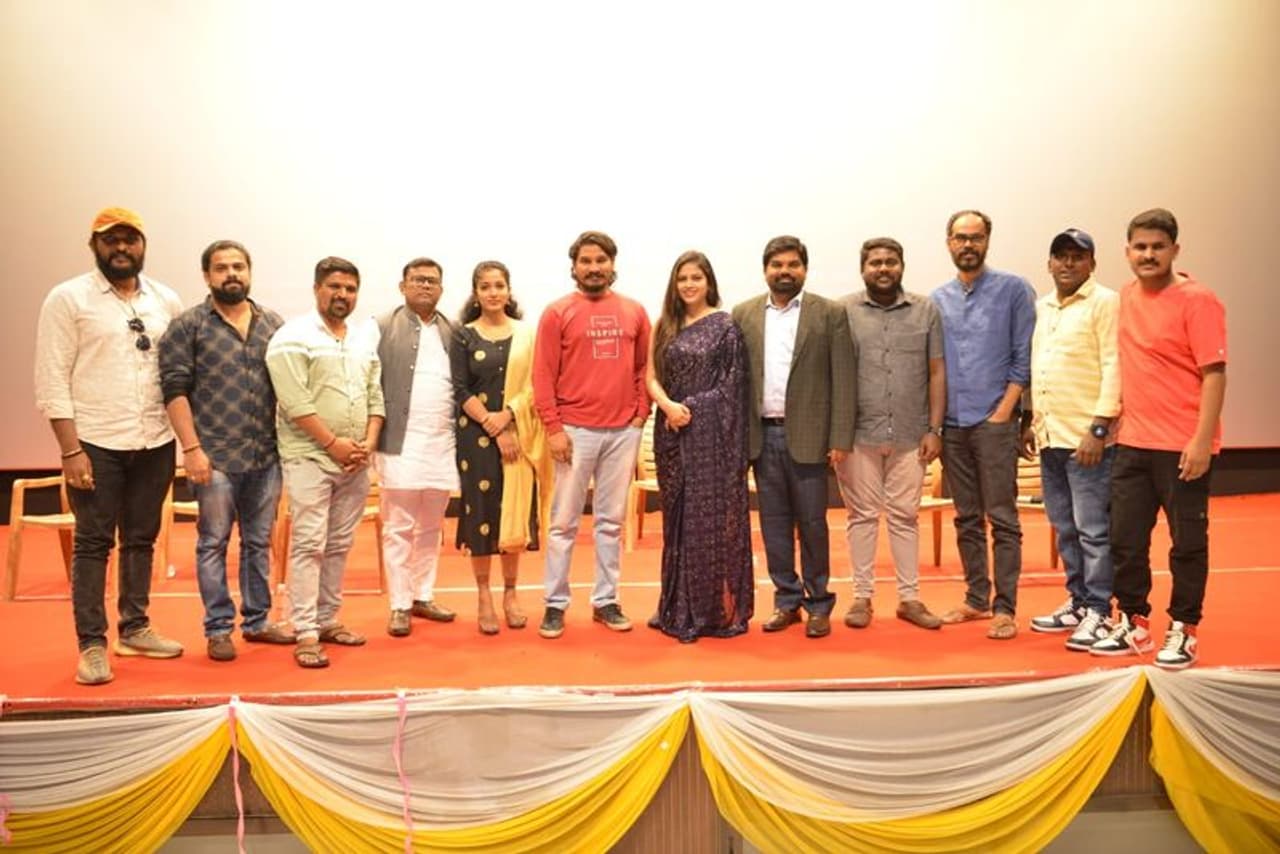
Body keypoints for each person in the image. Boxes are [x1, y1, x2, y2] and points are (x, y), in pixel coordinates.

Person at [34, 206, 185, 685]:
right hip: (95, 441)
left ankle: (135, 628)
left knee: (141, 538)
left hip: (154, 438)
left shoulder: (165, 299)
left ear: (143, 244)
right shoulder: (68, 298)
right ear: (94, 245)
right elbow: (52, 377)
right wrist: (70, 449)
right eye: (110, 239)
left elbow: (177, 371)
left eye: (130, 239)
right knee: (93, 542)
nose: (121, 247)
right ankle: (92, 645)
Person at [1090, 209, 1226, 670]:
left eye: (1158, 247)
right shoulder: (1126, 297)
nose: (1148, 255)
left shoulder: (1199, 300)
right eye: (1140, 247)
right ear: (1127, 251)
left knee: (1187, 544)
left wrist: (1202, 441)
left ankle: (1184, 628)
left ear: (1175, 250)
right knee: (1125, 540)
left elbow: (1214, 374)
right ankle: (1133, 621)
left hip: (1183, 446)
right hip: (1132, 443)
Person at [158, 239, 294, 662]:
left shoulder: (273, 323)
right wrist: (191, 449)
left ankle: (257, 622)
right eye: (221, 268)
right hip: (213, 457)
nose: (231, 274)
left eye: (238, 266)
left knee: (257, 542)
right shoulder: (188, 326)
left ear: (249, 271)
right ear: (207, 276)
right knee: (213, 543)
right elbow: (174, 391)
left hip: (265, 456)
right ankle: (218, 628)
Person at [732, 235, 856, 639]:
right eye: (777, 265)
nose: (784, 272)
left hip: (811, 438)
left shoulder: (830, 313)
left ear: (804, 269)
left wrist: (840, 437)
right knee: (774, 525)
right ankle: (786, 600)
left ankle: (819, 603)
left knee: (813, 525)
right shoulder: (744, 314)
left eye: (792, 265)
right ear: (765, 270)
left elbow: (844, 378)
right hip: (761, 436)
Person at [266, 257, 385, 668]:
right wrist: (333, 444)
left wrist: (368, 442)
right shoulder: (292, 337)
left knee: (338, 545)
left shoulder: (362, 339)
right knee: (309, 544)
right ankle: (304, 631)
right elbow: (293, 401)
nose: (342, 295)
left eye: (350, 289)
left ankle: (328, 619)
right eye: (334, 287)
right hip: (310, 458)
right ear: (317, 288)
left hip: (355, 461)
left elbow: (375, 395)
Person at [533, 231, 650, 639]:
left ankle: (606, 601)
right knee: (563, 523)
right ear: (574, 267)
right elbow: (542, 374)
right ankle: (555, 604)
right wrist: (554, 428)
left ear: (613, 264)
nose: (594, 267)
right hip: (574, 431)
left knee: (610, 522)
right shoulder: (557, 312)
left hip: (622, 432)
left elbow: (644, 368)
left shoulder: (635, 312)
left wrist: (640, 415)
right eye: (586, 261)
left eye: (601, 260)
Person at [930, 210, 1036, 640]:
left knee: (1003, 518)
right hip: (953, 424)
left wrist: (1005, 413)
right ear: (949, 243)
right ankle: (976, 598)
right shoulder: (937, 299)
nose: (968, 245)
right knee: (966, 518)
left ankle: (1005, 608)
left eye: (975, 237)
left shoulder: (1014, 290)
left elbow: (1024, 357)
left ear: (988, 240)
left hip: (995, 422)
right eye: (960, 238)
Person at [835, 238, 946, 632]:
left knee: (904, 516)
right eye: (875, 262)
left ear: (902, 265)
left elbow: (936, 371)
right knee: (862, 516)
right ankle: (861, 597)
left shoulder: (925, 310)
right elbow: (834, 373)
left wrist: (934, 429)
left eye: (891, 261)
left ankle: (909, 598)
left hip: (912, 434)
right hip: (858, 434)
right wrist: (836, 435)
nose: (883, 268)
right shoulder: (843, 311)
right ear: (863, 268)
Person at [645, 251, 753, 643]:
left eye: (696, 277)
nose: (689, 285)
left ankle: (710, 610)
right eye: (682, 279)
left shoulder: (726, 327)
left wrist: (691, 407)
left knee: (709, 521)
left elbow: (732, 386)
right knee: (676, 521)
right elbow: (650, 376)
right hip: (671, 433)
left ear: (709, 282)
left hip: (711, 439)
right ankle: (675, 605)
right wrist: (668, 407)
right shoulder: (665, 325)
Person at [1025, 229, 1121, 651]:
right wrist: (1032, 421)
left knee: (1093, 531)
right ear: (1049, 263)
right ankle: (1080, 602)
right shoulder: (1043, 307)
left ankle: (1100, 610)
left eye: (1077, 257)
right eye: (1060, 256)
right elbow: (1040, 366)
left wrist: (1099, 428)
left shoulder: (1105, 302)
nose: (1068, 264)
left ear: (1092, 264)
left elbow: (1114, 364)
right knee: (1064, 527)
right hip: (1051, 436)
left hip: (1088, 441)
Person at [451, 261, 550, 634]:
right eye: (485, 286)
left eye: (499, 285)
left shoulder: (527, 335)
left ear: (509, 291)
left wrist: (508, 416)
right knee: (480, 513)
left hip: (518, 431)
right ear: (476, 293)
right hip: (475, 436)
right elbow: (460, 389)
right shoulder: (464, 335)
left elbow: (537, 383)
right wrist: (493, 426)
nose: (493, 292)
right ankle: (483, 595)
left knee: (513, 510)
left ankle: (510, 593)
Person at [374, 258, 459, 638]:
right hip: (399, 443)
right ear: (402, 285)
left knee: (431, 526)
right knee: (399, 527)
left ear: (441, 289)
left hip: (442, 442)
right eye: (418, 280)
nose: (425, 286)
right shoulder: (380, 327)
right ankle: (399, 603)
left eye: (432, 281)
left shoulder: (452, 331)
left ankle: (423, 594)